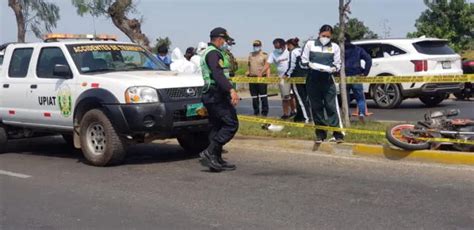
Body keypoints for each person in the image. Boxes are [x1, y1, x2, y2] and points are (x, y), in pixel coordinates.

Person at [199, 27, 240, 172]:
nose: (225, 43)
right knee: (231, 124)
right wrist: (231, 90)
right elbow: (217, 74)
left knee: (217, 126)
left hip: (213, 94)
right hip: (215, 95)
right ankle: (210, 152)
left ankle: (216, 160)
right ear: (220, 39)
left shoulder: (212, 52)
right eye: (225, 40)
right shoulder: (213, 53)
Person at [301, 25, 344, 143]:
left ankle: (338, 134)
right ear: (319, 34)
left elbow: (338, 64)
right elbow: (303, 61)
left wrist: (333, 69)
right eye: (323, 35)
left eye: (328, 36)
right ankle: (320, 134)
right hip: (312, 80)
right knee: (316, 107)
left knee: (331, 107)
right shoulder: (310, 44)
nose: (325, 38)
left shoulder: (334, 47)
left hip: (327, 80)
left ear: (332, 36)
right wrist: (311, 65)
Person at [261, 38, 296, 119]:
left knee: (292, 96)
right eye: (276, 47)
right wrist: (261, 72)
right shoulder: (273, 53)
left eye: (279, 47)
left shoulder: (290, 51)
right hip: (282, 78)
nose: (278, 49)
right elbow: (267, 64)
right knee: (285, 97)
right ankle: (285, 114)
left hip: (292, 77)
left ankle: (294, 111)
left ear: (284, 45)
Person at [344, 33, 372, 123]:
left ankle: (346, 115)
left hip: (343, 76)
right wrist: (365, 72)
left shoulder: (339, 50)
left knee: (345, 98)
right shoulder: (357, 49)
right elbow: (368, 59)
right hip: (356, 75)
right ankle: (362, 114)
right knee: (360, 97)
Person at [285, 37, 311, 123]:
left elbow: (291, 65)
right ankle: (300, 117)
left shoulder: (293, 52)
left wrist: (286, 74)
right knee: (306, 99)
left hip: (296, 78)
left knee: (300, 99)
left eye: (287, 46)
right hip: (307, 77)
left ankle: (307, 118)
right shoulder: (303, 50)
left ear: (290, 45)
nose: (287, 48)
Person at [247, 40, 269, 116]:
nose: (256, 47)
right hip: (252, 77)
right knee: (254, 96)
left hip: (262, 77)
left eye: (257, 45)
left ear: (260, 46)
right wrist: (248, 72)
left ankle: (264, 112)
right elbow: (249, 65)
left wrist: (268, 78)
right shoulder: (250, 55)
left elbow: (268, 67)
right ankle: (256, 112)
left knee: (263, 96)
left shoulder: (264, 55)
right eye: (254, 45)